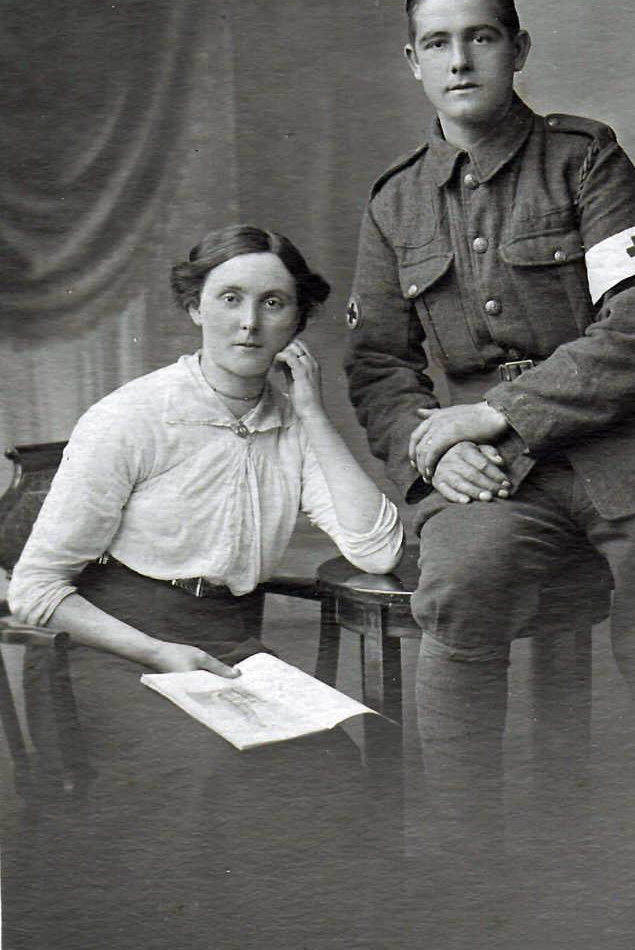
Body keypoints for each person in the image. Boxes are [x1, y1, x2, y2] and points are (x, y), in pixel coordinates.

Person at [345, 0, 635, 940]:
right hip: (494, 487)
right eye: (437, 42)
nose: (459, 59)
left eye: (479, 36)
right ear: (412, 62)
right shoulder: (394, 205)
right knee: (458, 585)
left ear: (516, 48)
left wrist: (494, 414)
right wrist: (431, 454)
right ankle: (470, 878)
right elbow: (379, 366)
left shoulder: (586, 161)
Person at [7, 224, 404, 949]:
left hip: (231, 652)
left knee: (330, 764)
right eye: (229, 299)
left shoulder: (291, 425)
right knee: (215, 775)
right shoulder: (132, 417)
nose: (249, 322)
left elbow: (376, 547)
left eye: (274, 303)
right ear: (195, 308)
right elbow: (35, 588)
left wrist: (313, 415)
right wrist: (158, 651)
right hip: (116, 653)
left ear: (298, 321)